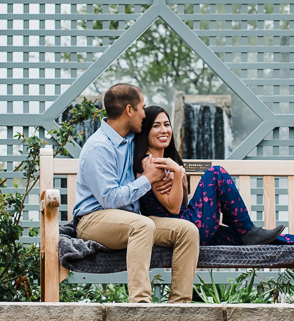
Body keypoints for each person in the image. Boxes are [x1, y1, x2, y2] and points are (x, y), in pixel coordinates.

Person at [72, 84, 200, 303]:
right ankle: (140, 304)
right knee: (142, 226)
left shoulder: (131, 141)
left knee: (187, 231)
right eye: (142, 108)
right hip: (94, 220)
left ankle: (179, 307)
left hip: (133, 220)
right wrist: (147, 179)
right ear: (129, 110)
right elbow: (110, 199)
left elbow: (154, 158)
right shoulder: (99, 147)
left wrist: (172, 174)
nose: (144, 114)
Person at [134, 106, 294, 245]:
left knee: (247, 240)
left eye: (166, 124)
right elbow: (173, 210)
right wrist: (179, 171)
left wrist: (183, 184)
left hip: (187, 226)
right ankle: (249, 229)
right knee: (216, 173)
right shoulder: (152, 164)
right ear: (145, 131)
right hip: (183, 230)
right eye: (156, 126)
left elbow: (179, 205)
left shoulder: (163, 160)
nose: (164, 130)